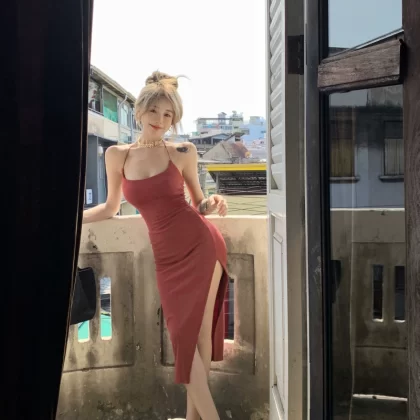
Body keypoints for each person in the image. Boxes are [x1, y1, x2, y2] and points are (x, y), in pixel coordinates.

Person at [82, 71, 229, 420]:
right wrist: (73, 221)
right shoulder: (117, 155)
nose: (160, 121)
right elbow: (110, 207)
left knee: (199, 335)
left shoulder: (182, 152)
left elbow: (198, 203)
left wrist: (213, 202)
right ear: (139, 111)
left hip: (201, 245)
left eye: (168, 115)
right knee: (181, 336)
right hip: (167, 258)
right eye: (154, 112)